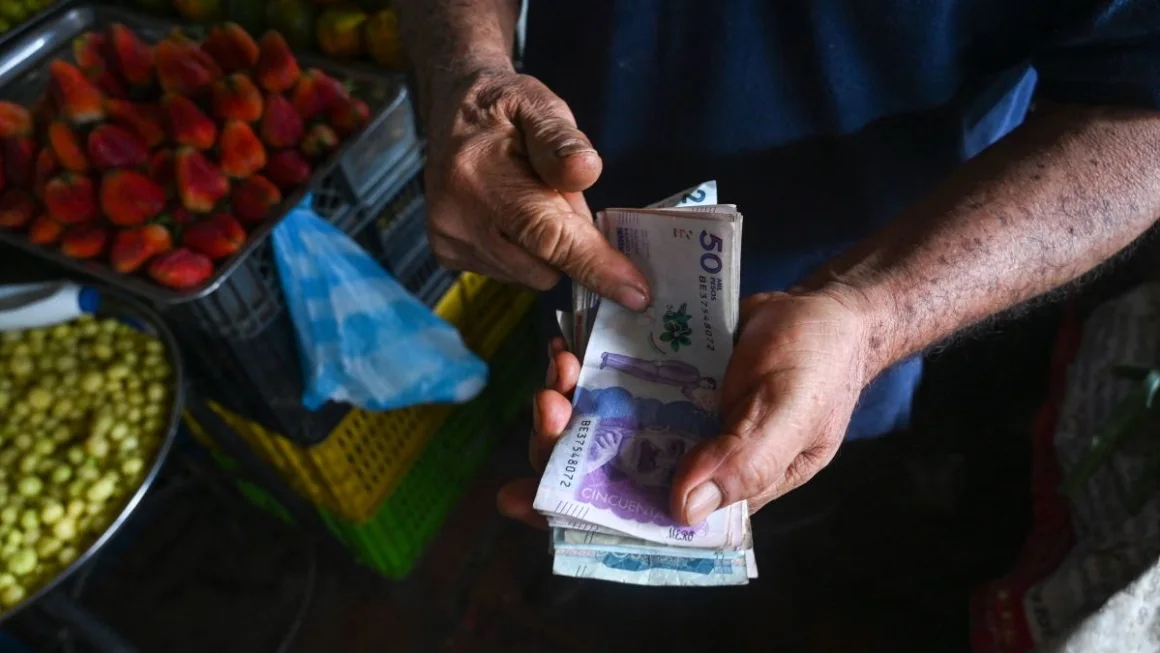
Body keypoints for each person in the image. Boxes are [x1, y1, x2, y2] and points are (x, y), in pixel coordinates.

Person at [392, 1, 1160, 529]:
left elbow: (1139, 108)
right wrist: (467, 72)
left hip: (846, 322)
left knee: (777, 527)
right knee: (580, 488)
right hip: (568, 239)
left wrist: (869, 315)